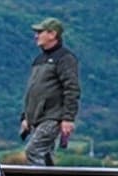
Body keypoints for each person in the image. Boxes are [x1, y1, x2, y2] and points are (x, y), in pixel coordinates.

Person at [19, 16, 80, 166]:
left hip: (53, 116)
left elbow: (71, 88)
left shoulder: (65, 58)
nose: (36, 36)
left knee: (33, 151)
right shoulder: (39, 60)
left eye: (40, 32)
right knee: (45, 154)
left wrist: (68, 118)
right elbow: (33, 90)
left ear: (52, 34)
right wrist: (26, 117)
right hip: (39, 118)